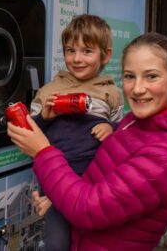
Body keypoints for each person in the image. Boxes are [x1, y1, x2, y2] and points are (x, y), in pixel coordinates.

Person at [8, 32, 167, 250]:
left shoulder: (166, 156)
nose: (137, 89)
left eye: (151, 76)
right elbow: (103, 185)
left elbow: (88, 210)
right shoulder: (138, 121)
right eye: (129, 76)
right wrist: (59, 197)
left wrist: (43, 151)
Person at [29, 14, 124, 251]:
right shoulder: (48, 91)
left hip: (95, 183)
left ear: (106, 55)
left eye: (87, 51)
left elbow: (123, 138)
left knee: (93, 241)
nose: (77, 58)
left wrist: (111, 128)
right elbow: (28, 135)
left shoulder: (111, 93)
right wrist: (44, 117)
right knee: (57, 244)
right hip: (56, 183)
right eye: (70, 50)